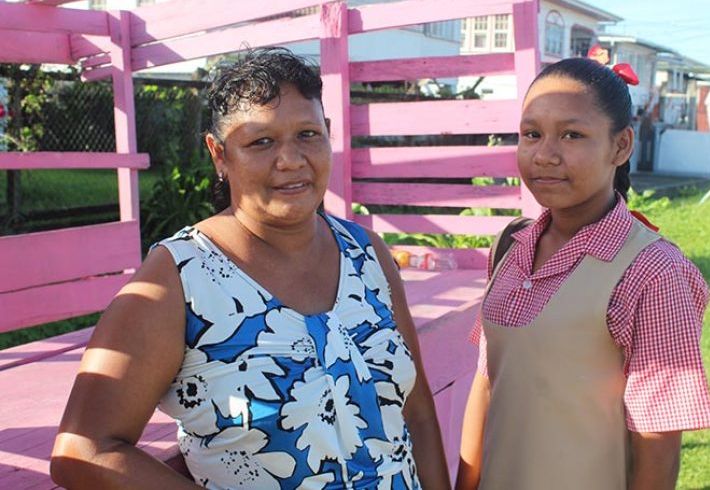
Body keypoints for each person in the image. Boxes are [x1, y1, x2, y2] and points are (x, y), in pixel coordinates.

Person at [51, 47, 450, 490]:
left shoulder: (367, 252)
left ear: (328, 134)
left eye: (307, 134)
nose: (291, 160)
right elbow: (84, 451)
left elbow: (416, 412)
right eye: (261, 141)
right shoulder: (179, 278)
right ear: (219, 154)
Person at [455, 57, 710, 490]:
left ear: (621, 145)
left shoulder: (653, 271)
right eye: (531, 134)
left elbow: (658, 443)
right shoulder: (510, 245)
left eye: (572, 135)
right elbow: (487, 383)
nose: (544, 154)